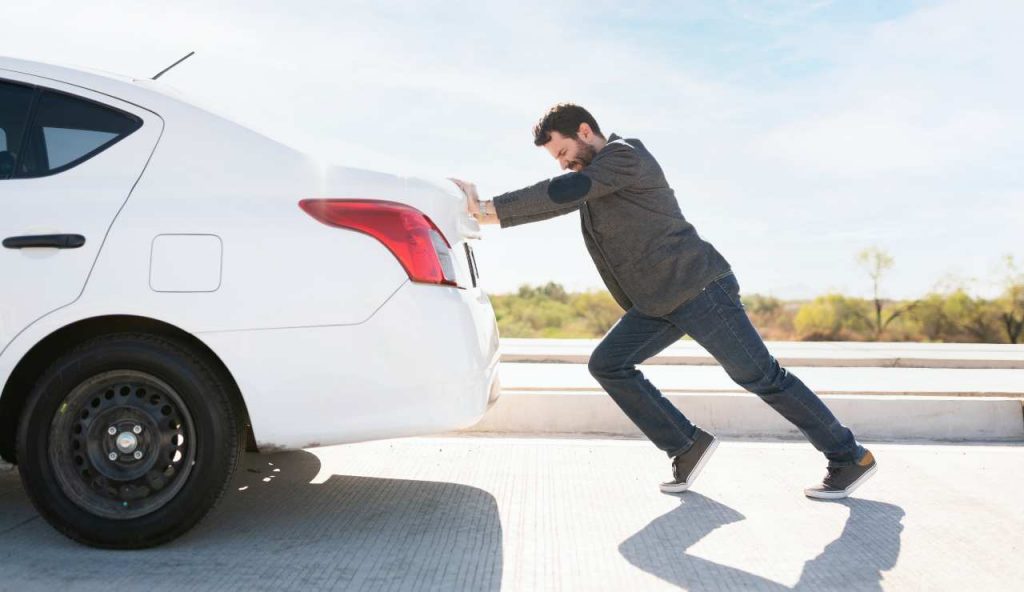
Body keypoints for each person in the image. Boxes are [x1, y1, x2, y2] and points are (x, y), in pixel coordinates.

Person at [450, 103, 877, 499]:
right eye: (557, 159)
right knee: (608, 364)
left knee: (761, 376)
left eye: (563, 151)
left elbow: (566, 189)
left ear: (585, 131)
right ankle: (686, 444)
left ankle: (849, 456)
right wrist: (484, 214)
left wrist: (489, 207)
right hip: (658, 302)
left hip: (699, 288)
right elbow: (562, 197)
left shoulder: (624, 155)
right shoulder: (597, 179)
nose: (563, 161)